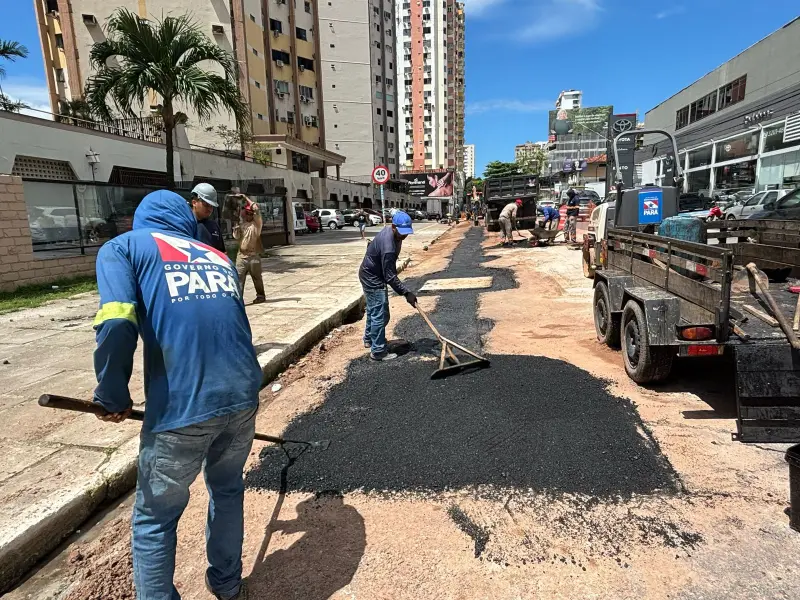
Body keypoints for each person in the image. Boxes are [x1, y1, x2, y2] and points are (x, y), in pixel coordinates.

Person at [92, 189, 260, 600]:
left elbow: (116, 322)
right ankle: (227, 583)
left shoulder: (124, 248)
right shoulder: (216, 255)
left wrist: (111, 393)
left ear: (141, 217)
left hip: (183, 406)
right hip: (242, 393)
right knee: (227, 488)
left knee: (155, 518)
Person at [359, 211, 417, 361]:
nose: (404, 236)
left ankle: (369, 339)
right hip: (373, 277)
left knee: (374, 310)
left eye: (406, 233)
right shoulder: (388, 246)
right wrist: (406, 293)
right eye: (401, 233)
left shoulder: (394, 233)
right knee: (381, 314)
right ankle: (378, 351)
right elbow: (390, 276)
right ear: (393, 227)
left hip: (370, 273)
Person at [232, 197, 266, 305]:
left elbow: (256, 209)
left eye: (251, 213)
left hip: (253, 256)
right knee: (239, 279)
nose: (249, 215)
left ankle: (260, 296)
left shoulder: (257, 224)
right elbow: (236, 238)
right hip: (241, 256)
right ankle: (239, 300)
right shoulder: (242, 225)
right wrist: (236, 230)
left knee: (257, 278)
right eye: (247, 213)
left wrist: (246, 197)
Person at [190, 183, 226, 253]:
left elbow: (222, 252)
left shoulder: (214, 226)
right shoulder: (185, 225)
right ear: (194, 202)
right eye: (206, 205)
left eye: (211, 206)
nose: (209, 209)